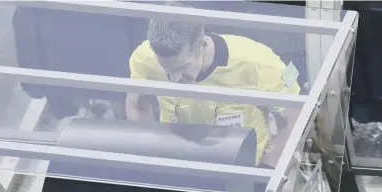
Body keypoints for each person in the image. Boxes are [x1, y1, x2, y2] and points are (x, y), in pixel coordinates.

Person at [125, 1, 302, 167]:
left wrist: (267, 166)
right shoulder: (144, 59)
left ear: (203, 44)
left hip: (243, 171)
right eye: (166, 70)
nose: (174, 79)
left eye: (182, 67)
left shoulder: (258, 64)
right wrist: (149, 156)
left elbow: (295, 116)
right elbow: (137, 105)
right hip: (179, 167)